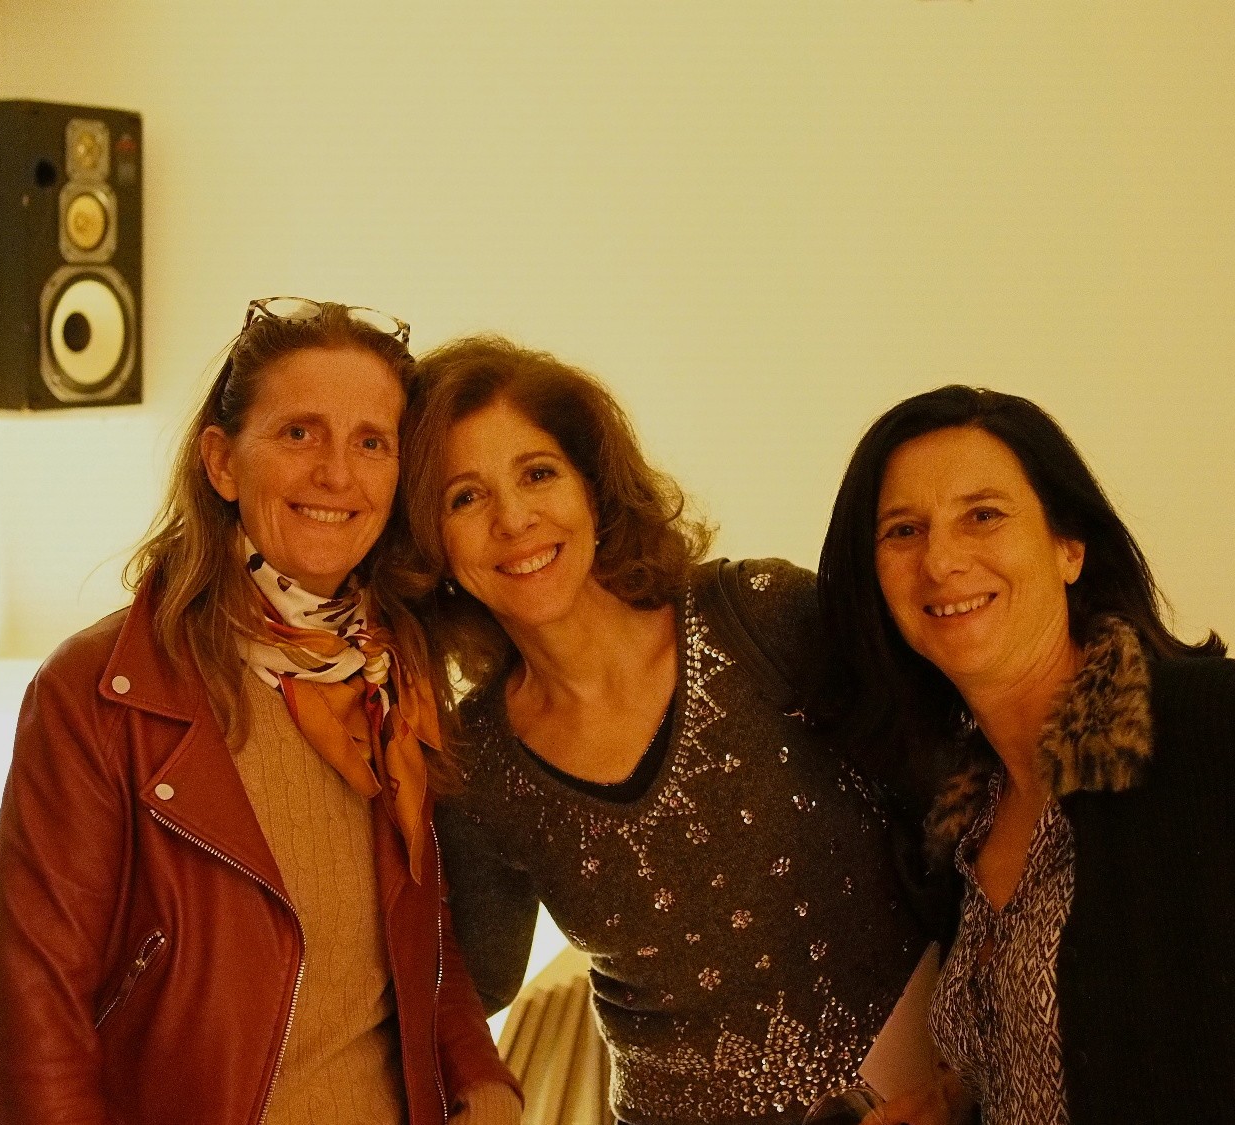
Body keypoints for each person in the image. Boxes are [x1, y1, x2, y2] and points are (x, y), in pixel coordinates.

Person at [0, 299, 521, 1125]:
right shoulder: (98, 690)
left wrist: (483, 1081)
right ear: (223, 462)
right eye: (300, 433)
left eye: (371, 442)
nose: (336, 473)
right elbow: (31, 1022)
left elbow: (422, 945)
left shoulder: (394, 676)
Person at [387, 335, 928, 1125]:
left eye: (538, 473)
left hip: (922, 1101)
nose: (514, 519)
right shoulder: (475, 763)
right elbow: (469, 988)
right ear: (430, 543)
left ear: (593, 485)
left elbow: (959, 807)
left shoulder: (763, 616)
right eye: (464, 498)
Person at [817, 384, 1235, 1124]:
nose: (941, 560)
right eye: (903, 530)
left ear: (1069, 546)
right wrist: (959, 1102)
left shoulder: (1228, 730)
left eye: (983, 515)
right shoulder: (959, 823)